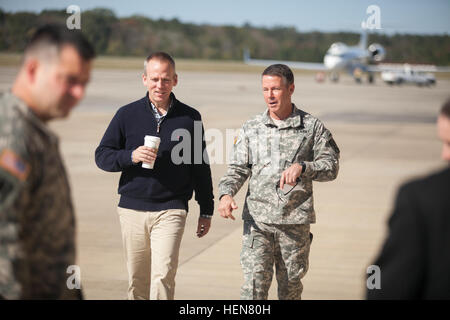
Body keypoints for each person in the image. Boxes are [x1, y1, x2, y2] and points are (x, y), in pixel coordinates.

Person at [95, 52, 214, 300]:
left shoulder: (190, 117)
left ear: (175, 80)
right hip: (132, 209)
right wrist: (131, 156)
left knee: (163, 277)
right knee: (137, 281)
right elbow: (102, 155)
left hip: (171, 209)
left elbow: (200, 166)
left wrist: (206, 209)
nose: (160, 85)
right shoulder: (126, 114)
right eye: (155, 79)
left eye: (166, 80)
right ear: (144, 79)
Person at [218, 64, 340, 300]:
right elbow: (237, 168)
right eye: (265, 89)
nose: (270, 95)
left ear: (291, 88)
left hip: (293, 226)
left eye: (275, 89)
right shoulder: (252, 127)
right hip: (257, 224)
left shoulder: (311, 127)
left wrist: (304, 167)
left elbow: (331, 166)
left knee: (290, 291)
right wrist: (225, 194)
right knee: (252, 289)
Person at [0, 24, 95, 299]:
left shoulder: (33, 131)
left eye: (84, 84)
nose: (79, 94)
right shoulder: (11, 138)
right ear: (32, 70)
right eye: (70, 81)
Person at [367, 99, 450, 300]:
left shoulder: (422, 198)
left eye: (448, 143)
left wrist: (372, 276)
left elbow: (385, 285)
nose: (444, 155)